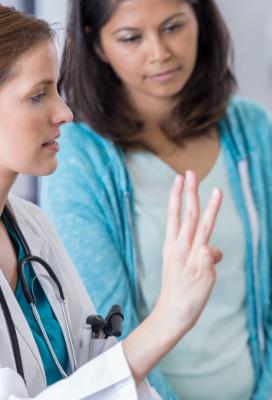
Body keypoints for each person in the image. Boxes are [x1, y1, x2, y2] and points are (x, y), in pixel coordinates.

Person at [39, 0, 272, 398]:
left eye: (173, 27)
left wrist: (271, 393)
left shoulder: (254, 133)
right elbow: (105, 329)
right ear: (96, 44)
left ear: (200, 18)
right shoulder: (78, 155)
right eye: (131, 38)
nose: (160, 52)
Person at [0, 5, 224, 398]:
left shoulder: (33, 227)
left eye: (56, 89)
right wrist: (168, 318)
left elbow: (96, 362)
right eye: (37, 95)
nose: (64, 112)